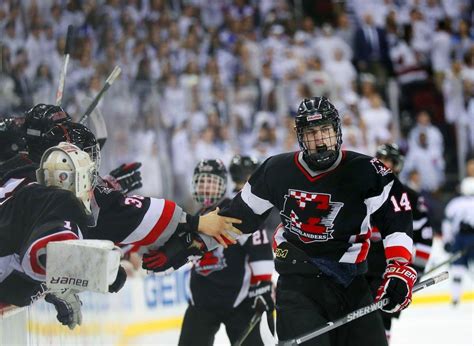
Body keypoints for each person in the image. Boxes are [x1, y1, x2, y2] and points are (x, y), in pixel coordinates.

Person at [218, 97, 416, 345]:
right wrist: (188, 240)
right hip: (298, 286)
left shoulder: (367, 171)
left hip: (352, 284)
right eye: (311, 132)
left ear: (337, 131)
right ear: (300, 136)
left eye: (325, 130)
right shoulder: (275, 170)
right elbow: (236, 218)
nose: (320, 139)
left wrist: (399, 266)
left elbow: (396, 218)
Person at [143, 158, 274, 346]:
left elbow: (259, 247)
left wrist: (262, 284)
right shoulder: (194, 218)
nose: (206, 188)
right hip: (202, 303)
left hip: (240, 302)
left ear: (222, 185)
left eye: (211, 182)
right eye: (202, 182)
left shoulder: (235, 210)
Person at [365, 143, 433, 341]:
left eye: (389, 160)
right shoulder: (361, 191)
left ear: (397, 165)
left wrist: (417, 271)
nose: (384, 164)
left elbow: (425, 237)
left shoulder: (409, 197)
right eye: (381, 159)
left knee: (382, 320)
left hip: (388, 269)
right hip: (360, 268)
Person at [442, 177, 474, 306]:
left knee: (457, 269)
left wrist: (447, 240)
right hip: (467, 239)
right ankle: (455, 297)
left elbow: (447, 224)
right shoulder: (455, 203)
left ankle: (455, 297)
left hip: (459, 240)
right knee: (459, 268)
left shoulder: (454, 203)